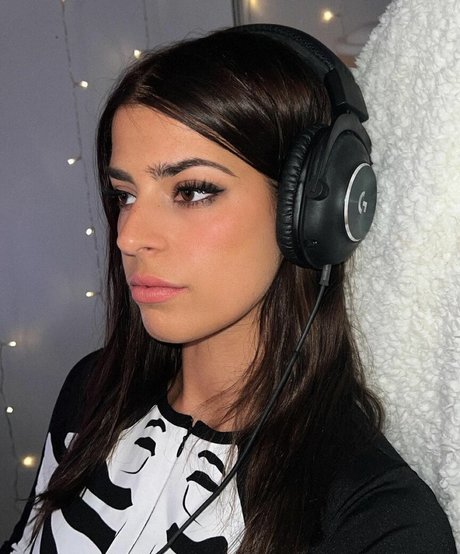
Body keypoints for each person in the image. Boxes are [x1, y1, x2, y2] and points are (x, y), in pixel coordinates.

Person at [2, 24, 456, 554]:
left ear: (311, 212)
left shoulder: (379, 523)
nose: (129, 236)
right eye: (125, 194)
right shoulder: (93, 389)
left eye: (193, 191)